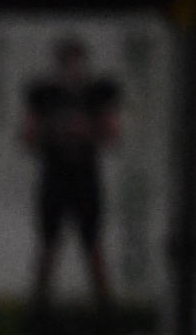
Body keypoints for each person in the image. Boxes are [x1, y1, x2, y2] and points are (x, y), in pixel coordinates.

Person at [21, 37, 122, 312]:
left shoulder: (95, 94)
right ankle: (40, 305)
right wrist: (54, 131)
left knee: (92, 243)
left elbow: (112, 132)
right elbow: (28, 134)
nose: (72, 69)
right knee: (49, 243)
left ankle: (104, 306)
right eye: (67, 63)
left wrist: (86, 129)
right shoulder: (46, 95)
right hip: (56, 176)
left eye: (77, 63)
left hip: (84, 177)